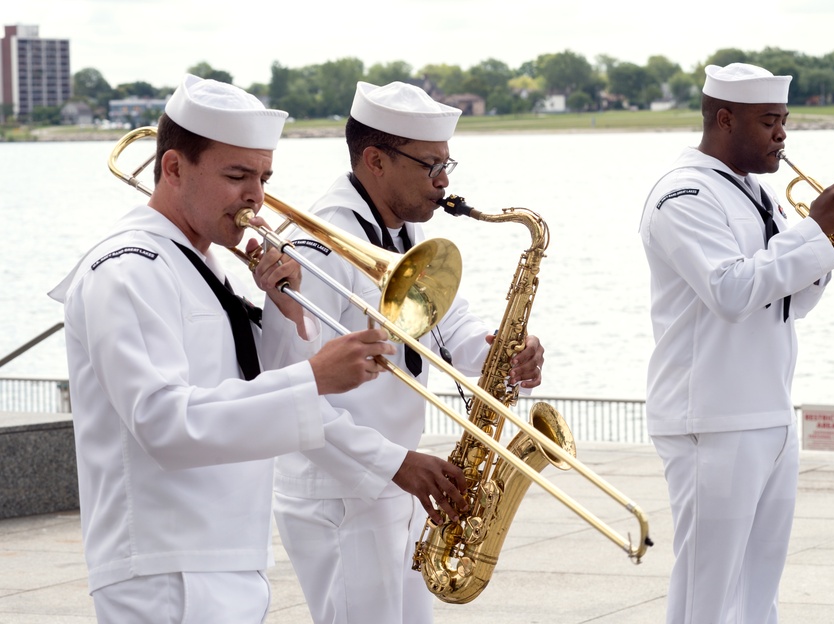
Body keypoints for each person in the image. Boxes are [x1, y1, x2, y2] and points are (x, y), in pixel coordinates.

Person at [48, 74, 398, 623]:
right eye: (237, 175)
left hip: (229, 556)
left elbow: (256, 402)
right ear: (173, 169)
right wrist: (314, 378)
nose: (256, 196)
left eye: (262, 176)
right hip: (164, 569)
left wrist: (285, 315)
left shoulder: (199, 264)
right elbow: (164, 421)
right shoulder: (126, 268)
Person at [268, 81, 546, 624]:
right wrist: (394, 464)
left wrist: (503, 354)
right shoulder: (316, 246)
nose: (444, 183)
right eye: (429, 165)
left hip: (394, 480)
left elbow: (450, 320)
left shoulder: (404, 230)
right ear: (375, 160)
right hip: (341, 492)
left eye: (447, 164)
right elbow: (290, 393)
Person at [638, 63, 834, 624]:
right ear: (724, 119)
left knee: (759, 594)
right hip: (711, 420)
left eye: (784, 120)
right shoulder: (683, 195)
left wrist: (827, 248)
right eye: (769, 122)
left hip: (768, 414)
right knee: (706, 597)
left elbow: (789, 303)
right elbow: (732, 290)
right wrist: (813, 234)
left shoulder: (755, 194)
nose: (782, 135)